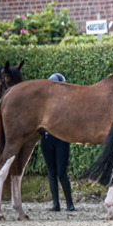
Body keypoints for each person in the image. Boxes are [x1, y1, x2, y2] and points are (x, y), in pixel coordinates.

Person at [41, 73, 74, 212]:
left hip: (61, 139)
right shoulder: (43, 102)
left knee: (61, 172)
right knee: (51, 172)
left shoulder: (68, 103)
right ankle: (56, 204)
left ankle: (69, 203)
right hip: (47, 139)